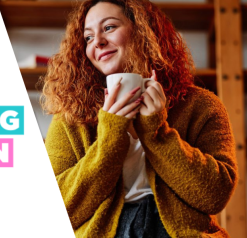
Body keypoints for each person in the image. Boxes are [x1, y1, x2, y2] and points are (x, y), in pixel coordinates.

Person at [39, 0, 238, 237]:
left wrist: (158, 133)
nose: (98, 42)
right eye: (88, 37)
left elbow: (215, 196)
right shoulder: (71, 115)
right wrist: (109, 137)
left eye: (109, 27)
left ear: (143, 31)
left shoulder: (201, 105)